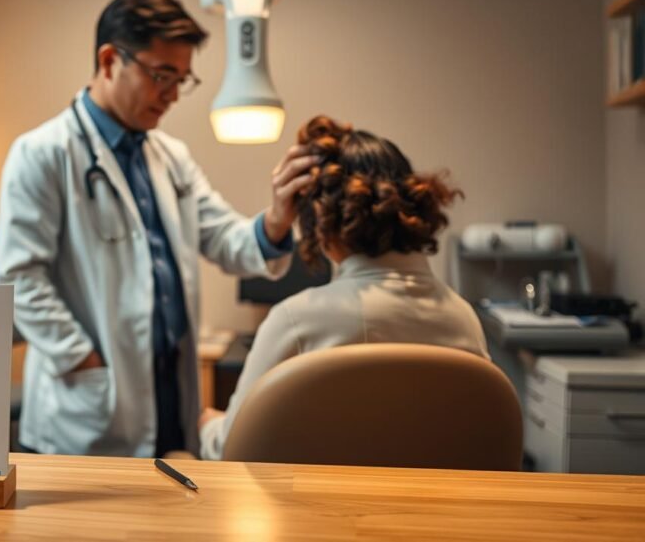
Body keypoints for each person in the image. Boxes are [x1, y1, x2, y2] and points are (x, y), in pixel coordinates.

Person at [0, 0, 316, 457]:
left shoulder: (171, 157)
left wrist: (278, 218)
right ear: (109, 60)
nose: (172, 96)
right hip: (92, 405)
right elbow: (19, 279)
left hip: (168, 395)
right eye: (162, 75)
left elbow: (225, 238)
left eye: (182, 79)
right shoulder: (43, 153)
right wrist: (86, 359)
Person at [198, 115, 490, 461]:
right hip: (433, 512)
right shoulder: (463, 320)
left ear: (321, 223)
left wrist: (206, 425)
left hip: (316, 513)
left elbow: (232, 449)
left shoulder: (296, 320)